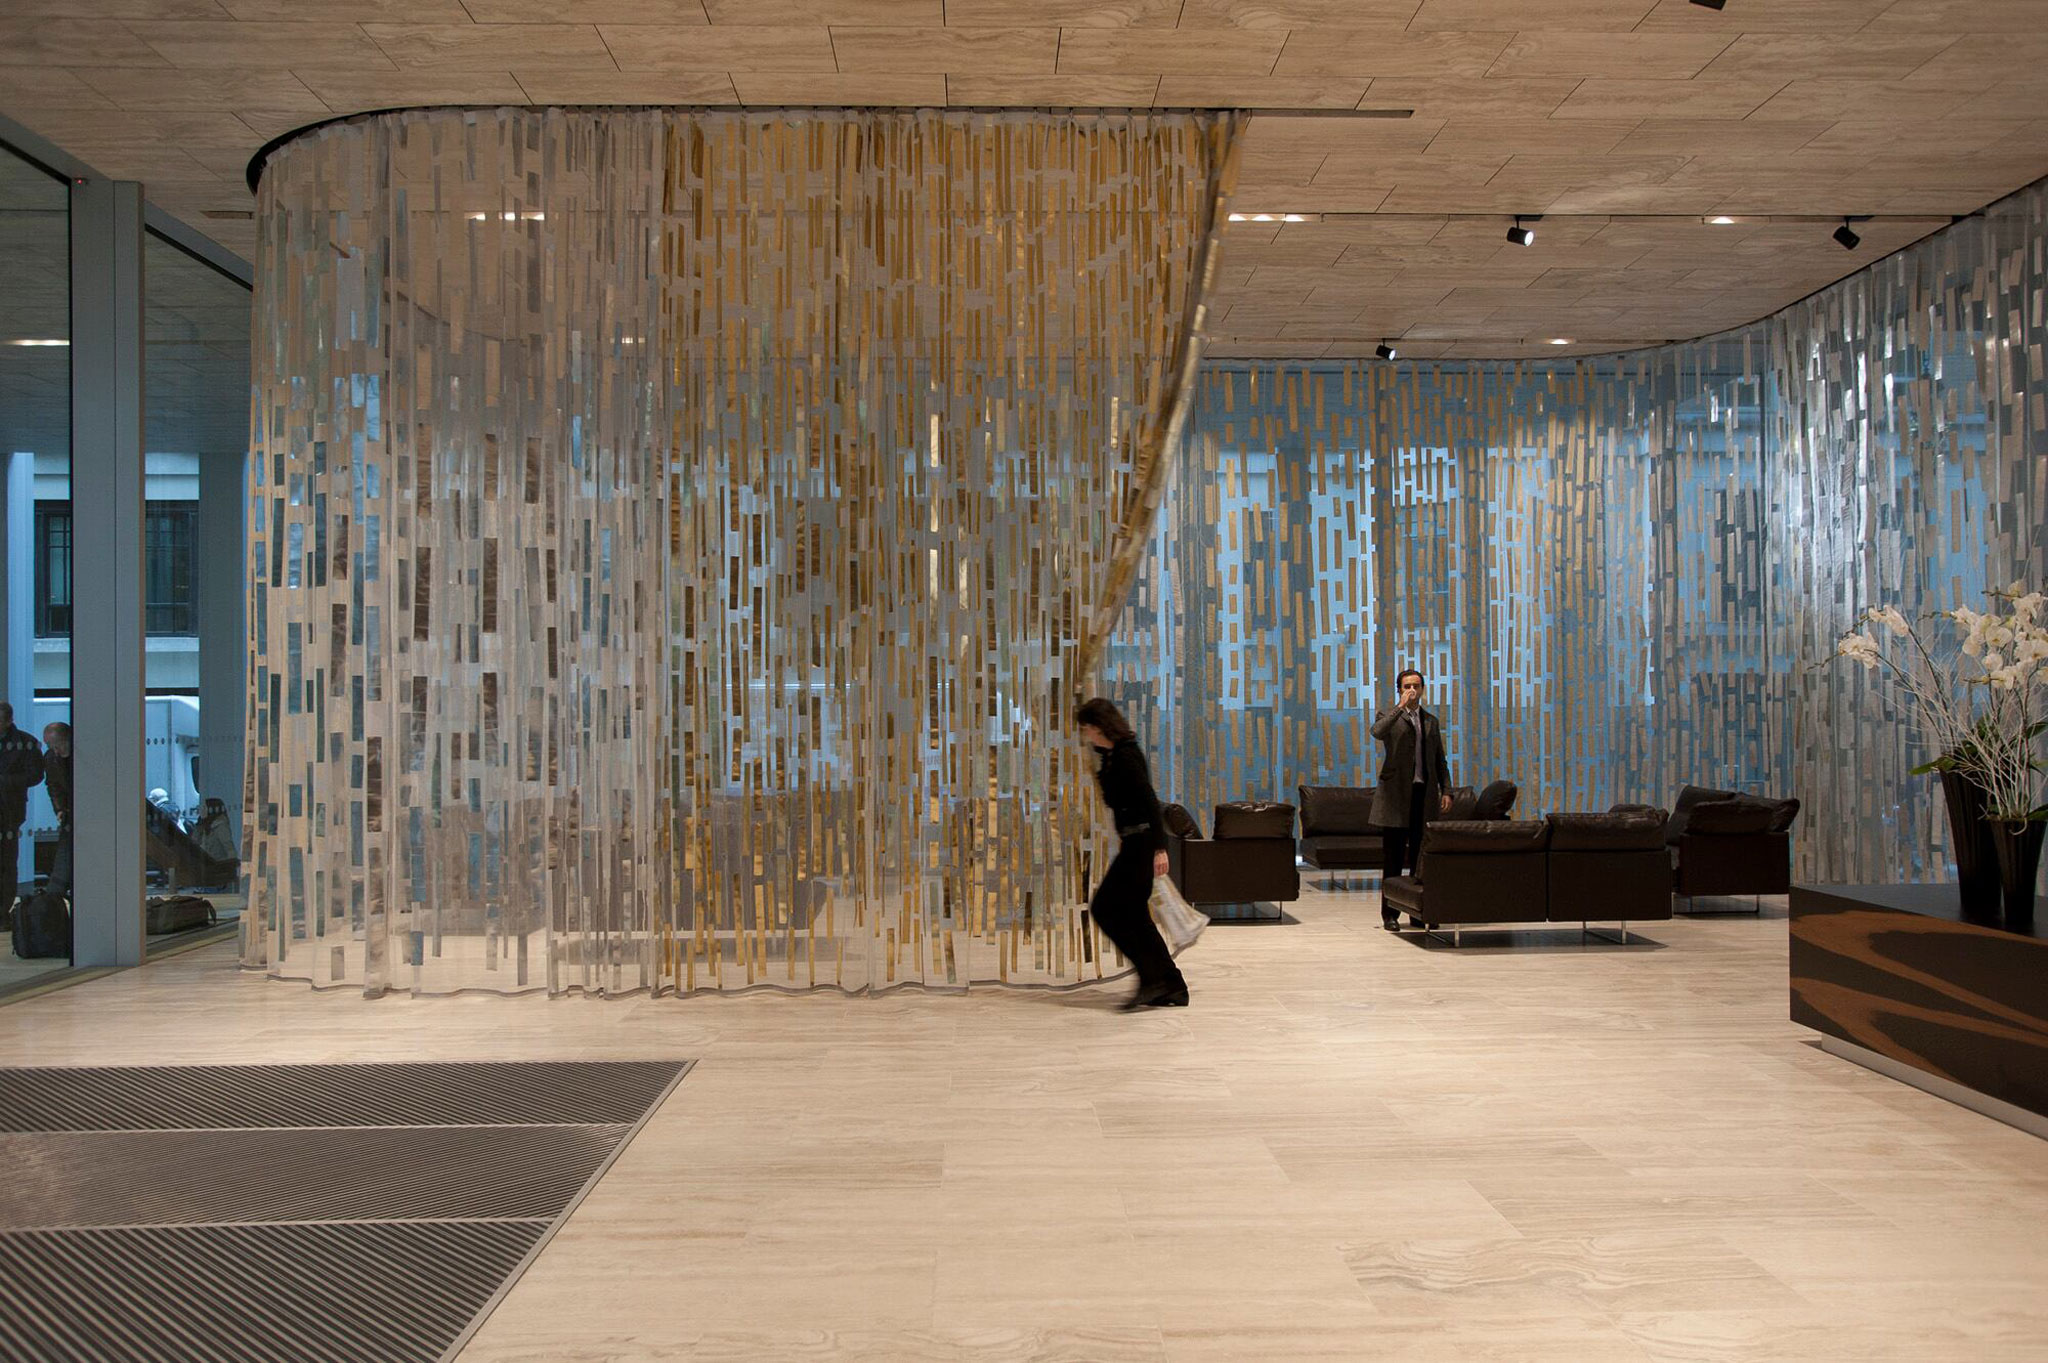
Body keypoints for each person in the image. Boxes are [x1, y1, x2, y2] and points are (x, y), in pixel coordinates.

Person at [1075, 696, 1189, 1009]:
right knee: (1133, 916)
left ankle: (1157, 980)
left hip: (1142, 844)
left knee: (1107, 909)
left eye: (1086, 727)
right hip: (1133, 844)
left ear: (1099, 727)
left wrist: (1159, 848)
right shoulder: (1112, 755)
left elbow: (1149, 801)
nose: (1084, 734)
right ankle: (1167, 983)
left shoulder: (1126, 755)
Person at [1370, 668, 1451, 930]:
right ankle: (1390, 914)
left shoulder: (1430, 721)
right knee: (1393, 858)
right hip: (1395, 797)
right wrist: (1399, 707)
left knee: (1420, 859)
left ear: (1423, 689)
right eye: (1407, 686)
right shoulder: (1389, 716)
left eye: (1416, 686)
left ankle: (1418, 912)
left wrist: (1446, 790)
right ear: (1400, 689)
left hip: (1422, 795)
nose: (1412, 690)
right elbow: (1377, 732)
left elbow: (1440, 760)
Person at [0, 703, 43, 926]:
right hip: (10, 807)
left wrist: (6, 782)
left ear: (8, 721)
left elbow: (36, 775)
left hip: (9, 810)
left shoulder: (26, 743)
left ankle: (2, 912)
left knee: (6, 863)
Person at [41, 722, 71, 898]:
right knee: (64, 857)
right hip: (69, 813)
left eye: (57, 745)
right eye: (51, 747)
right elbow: (53, 786)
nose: (55, 750)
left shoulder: (54, 759)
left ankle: (54, 895)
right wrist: (59, 809)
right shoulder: (51, 758)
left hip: (85, 813)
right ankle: (54, 896)